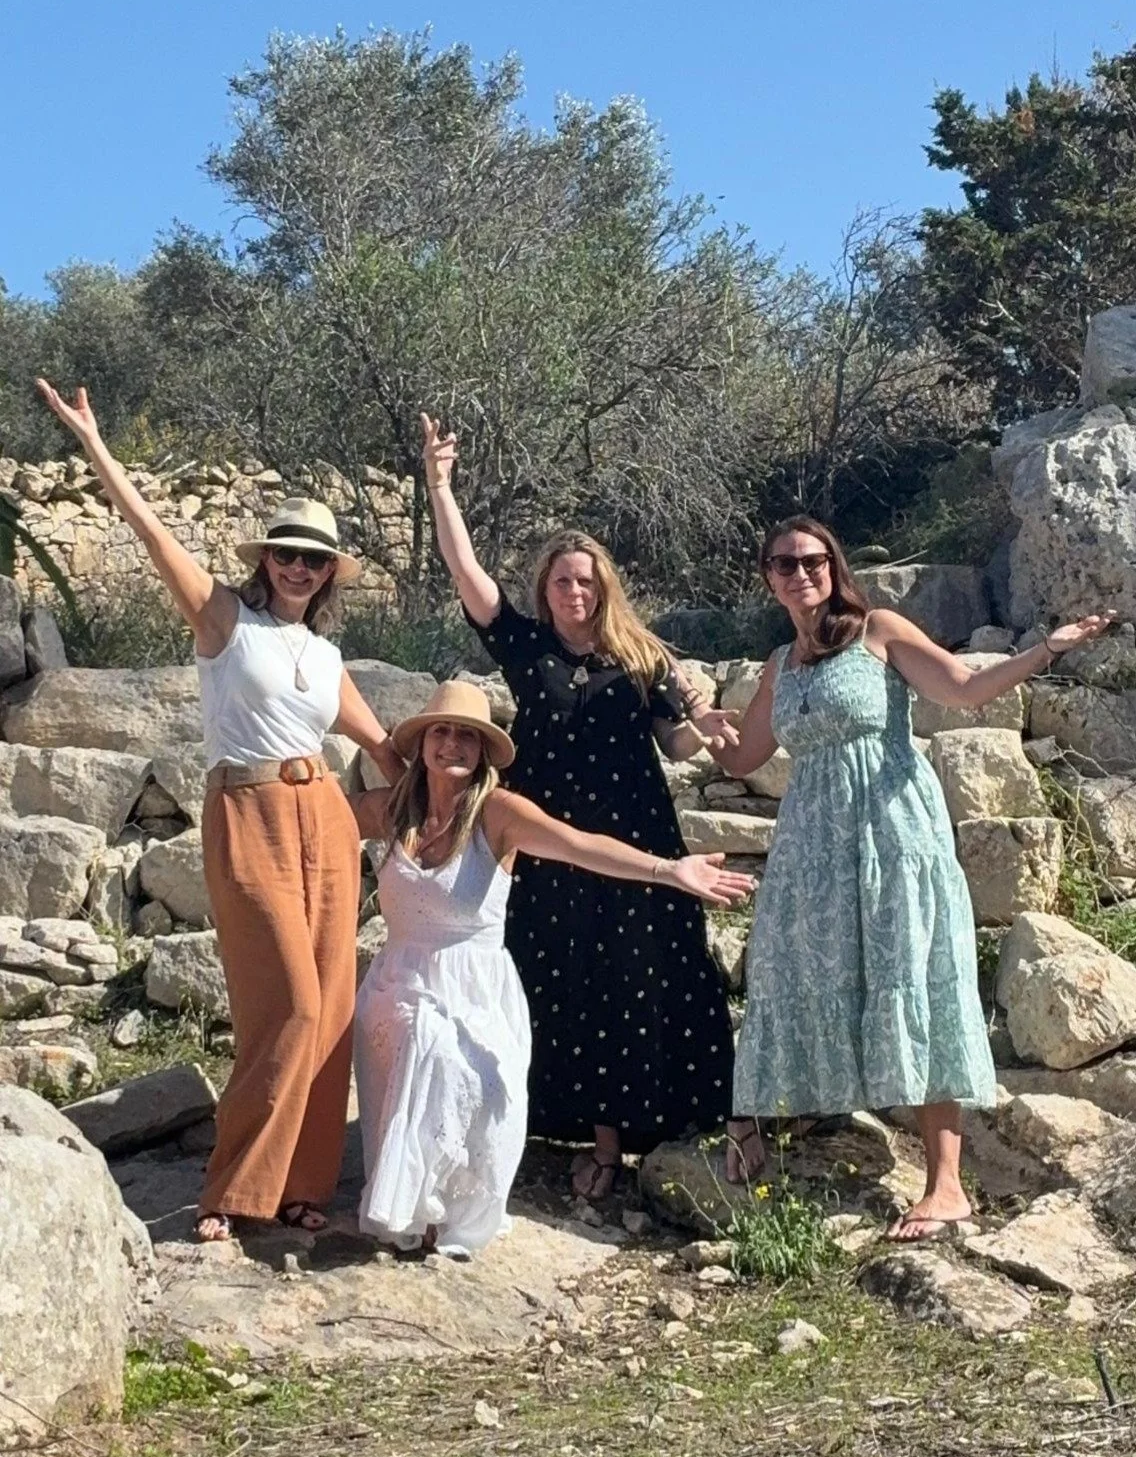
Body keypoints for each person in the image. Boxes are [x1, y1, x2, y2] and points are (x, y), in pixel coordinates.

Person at [35, 380, 405, 1242]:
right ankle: (236, 1189)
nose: (299, 567)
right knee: (290, 1003)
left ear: (329, 572)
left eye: (314, 558)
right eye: (287, 553)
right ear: (266, 559)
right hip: (248, 812)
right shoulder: (225, 621)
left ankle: (304, 1184)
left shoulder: (326, 654)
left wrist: (464, 794)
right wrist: (96, 446)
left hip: (325, 818)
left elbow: (386, 748)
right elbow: (153, 535)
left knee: (333, 1007)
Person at [721, 514, 1113, 1236]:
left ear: (834, 566)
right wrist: (690, 719)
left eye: (813, 559)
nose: (800, 572)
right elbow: (742, 758)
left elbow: (964, 688)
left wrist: (1045, 649)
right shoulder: (779, 663)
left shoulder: (878, 631)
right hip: (812, 851)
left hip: (893, 835)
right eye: (784, 563)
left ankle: (947, 1185)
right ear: (768, 577)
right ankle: (775, 1119)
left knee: (915, 972)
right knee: (789, 968)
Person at [421, 415, 754, 1200]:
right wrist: (439, 484)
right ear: (545, 589)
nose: (576, 592)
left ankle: (710, 1120)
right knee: (571, 980)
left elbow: (675, 743)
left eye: (587, 581)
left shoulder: (641, 655)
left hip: (640, 838)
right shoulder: (526, 647)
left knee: (659, 972)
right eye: (563, 581)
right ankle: (601, 1143)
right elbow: (465, 570)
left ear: (605, 588)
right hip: (551, 845)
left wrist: (702, 725)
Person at [351, 681, 754, 1257]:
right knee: (420, 1035)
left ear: (484, 751)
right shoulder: (392, 810)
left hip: (475, 991)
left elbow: (579, 845)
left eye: (468, 735)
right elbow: (310, 822)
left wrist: (668, 870)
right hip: (398, 984)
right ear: (421, 744)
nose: (453, 744)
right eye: (441, 731)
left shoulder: (497, 812)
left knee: (445, 1054)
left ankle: (443, 1206)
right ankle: (413, 1202)